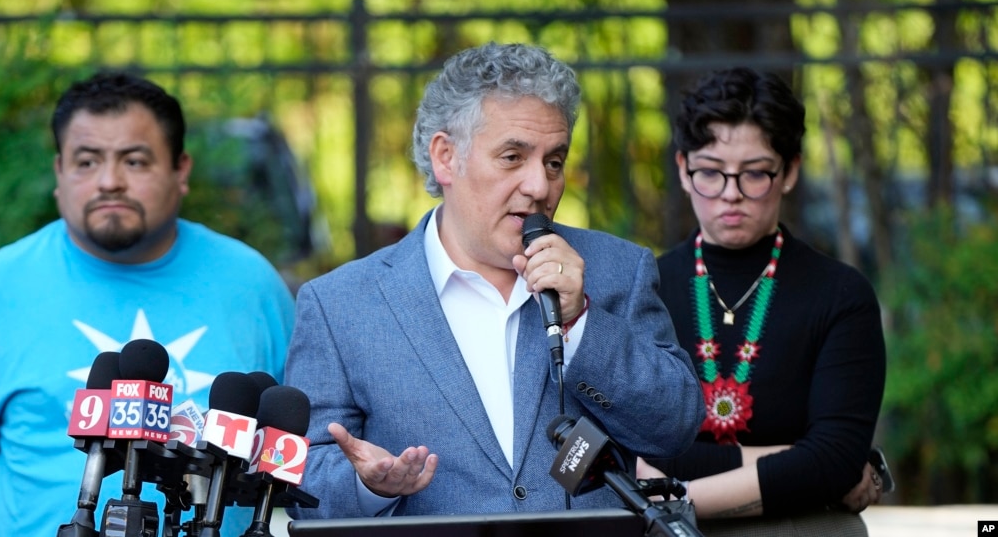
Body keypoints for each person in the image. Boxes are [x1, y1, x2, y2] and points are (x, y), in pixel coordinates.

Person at [284, 42, 705, 519]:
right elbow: (305, 484)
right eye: (512, 157)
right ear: (445, 157)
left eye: (554, 161)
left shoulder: (615, 269)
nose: (540, 186)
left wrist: (581, 323)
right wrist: (370, 487)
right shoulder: (339, 304)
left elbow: (674, 429)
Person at [0, 71, 295, 537]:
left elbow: (292, 453)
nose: (110, 182)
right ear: (59, 173)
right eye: (86, 162)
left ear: (180, 170)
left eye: (135, 161)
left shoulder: (253, 286)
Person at [635, 67, 887, 535]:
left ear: (789, 170)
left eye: (754, 174)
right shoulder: (643, 287)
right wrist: (803, 460)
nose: (731, 195)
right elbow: (632, 452)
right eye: (710, 172)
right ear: (683, 170)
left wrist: (676, 499)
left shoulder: (840, 295)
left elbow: (834, 459)